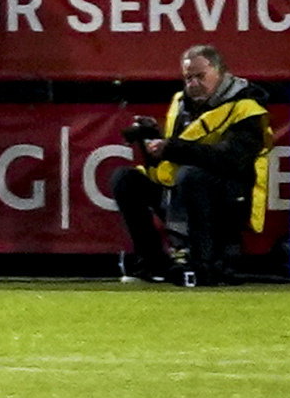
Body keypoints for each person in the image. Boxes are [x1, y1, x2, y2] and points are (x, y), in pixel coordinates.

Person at [115, 43, 272, 288]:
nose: (193, 84)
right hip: (183, 190)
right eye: (188, 78)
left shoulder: (247, 109)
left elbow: (231, 159)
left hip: (228, 199)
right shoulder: (180, 102)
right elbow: (174, 155)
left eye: (200, 76)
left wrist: (173, 148)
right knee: (125, 179)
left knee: (191, 176)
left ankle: (202, 263)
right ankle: (152, 262)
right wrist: (151, 135)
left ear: (221, 73)